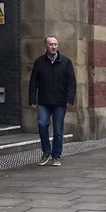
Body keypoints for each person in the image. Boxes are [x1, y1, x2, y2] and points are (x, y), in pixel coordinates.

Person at [28, 34, 76, 168]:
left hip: (59, 102)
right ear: (46, 46)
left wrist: (69, 100)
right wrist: (32, 99)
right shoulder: (39, 62)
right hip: (44, 101)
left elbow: (71, 82)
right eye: (51, 44)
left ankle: (56, 155)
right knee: (42, 124)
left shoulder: (66, 62)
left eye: (55, 44)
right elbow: (33, 82)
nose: (54, 46)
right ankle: (46, 152)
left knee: (58, 130)